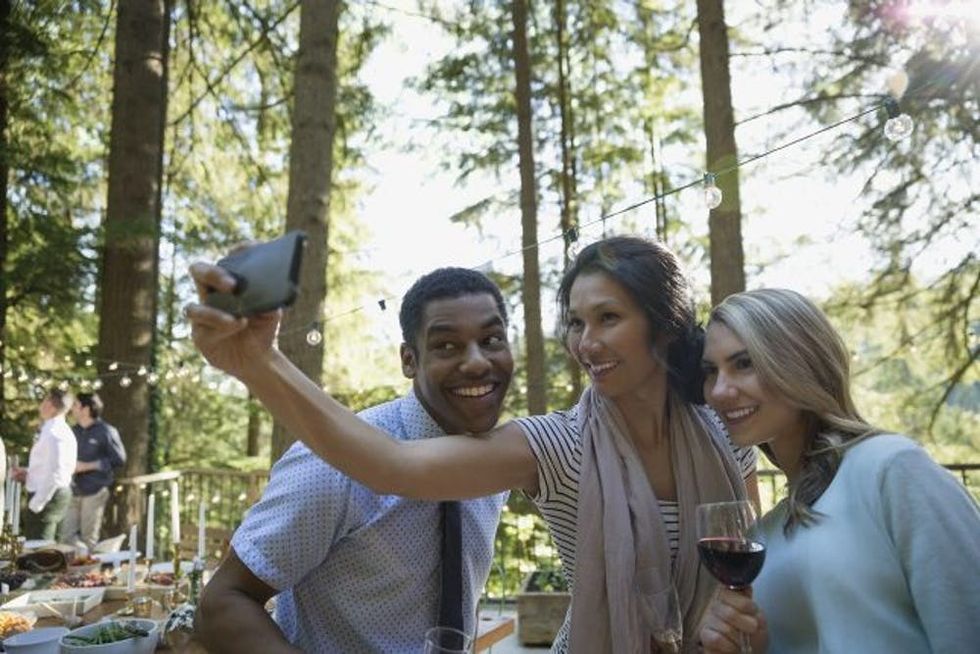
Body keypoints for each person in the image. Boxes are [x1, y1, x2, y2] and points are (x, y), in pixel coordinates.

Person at [187, 236, 759, 653]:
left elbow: (752, 561)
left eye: (606, 318)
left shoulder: (725, 433)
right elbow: (392, 465)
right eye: (577, 323)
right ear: (408, 359)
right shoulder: (556, 445)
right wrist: (259, 362)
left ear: (663, 324)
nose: (586, 343)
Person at [195, 267, 514, 653]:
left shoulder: (497, 463)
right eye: (447, 346)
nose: (477, 362)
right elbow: (221, 605)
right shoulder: (331, 465)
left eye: (492, 339)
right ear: (409, 360)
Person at [698, 288, 980, 653]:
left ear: (800, 364)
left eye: (744, 363)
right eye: (710, 371)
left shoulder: (891, 469)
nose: (719, 390)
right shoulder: (764, 534)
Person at [60, 392, 127, 550]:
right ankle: (69, 574)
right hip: (73, 490)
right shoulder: (72, 431)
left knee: (88, 539)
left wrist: (88, 466)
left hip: (95, 491)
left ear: (86, 409)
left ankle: (89, 573)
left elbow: (119, 459)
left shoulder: (106, 431)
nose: (72, 409)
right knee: (66, 537)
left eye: (76, 405)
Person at [11, 389, 78, 541]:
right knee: (51, 550)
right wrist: (29, 472)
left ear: (50, 405)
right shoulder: (59, 430)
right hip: (52, 492)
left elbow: (55, 472)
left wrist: (37, 503)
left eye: (44, 401)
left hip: (48, 495)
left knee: (41, 550)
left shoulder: (55, 432)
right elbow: (51, 465)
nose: (41, 406)